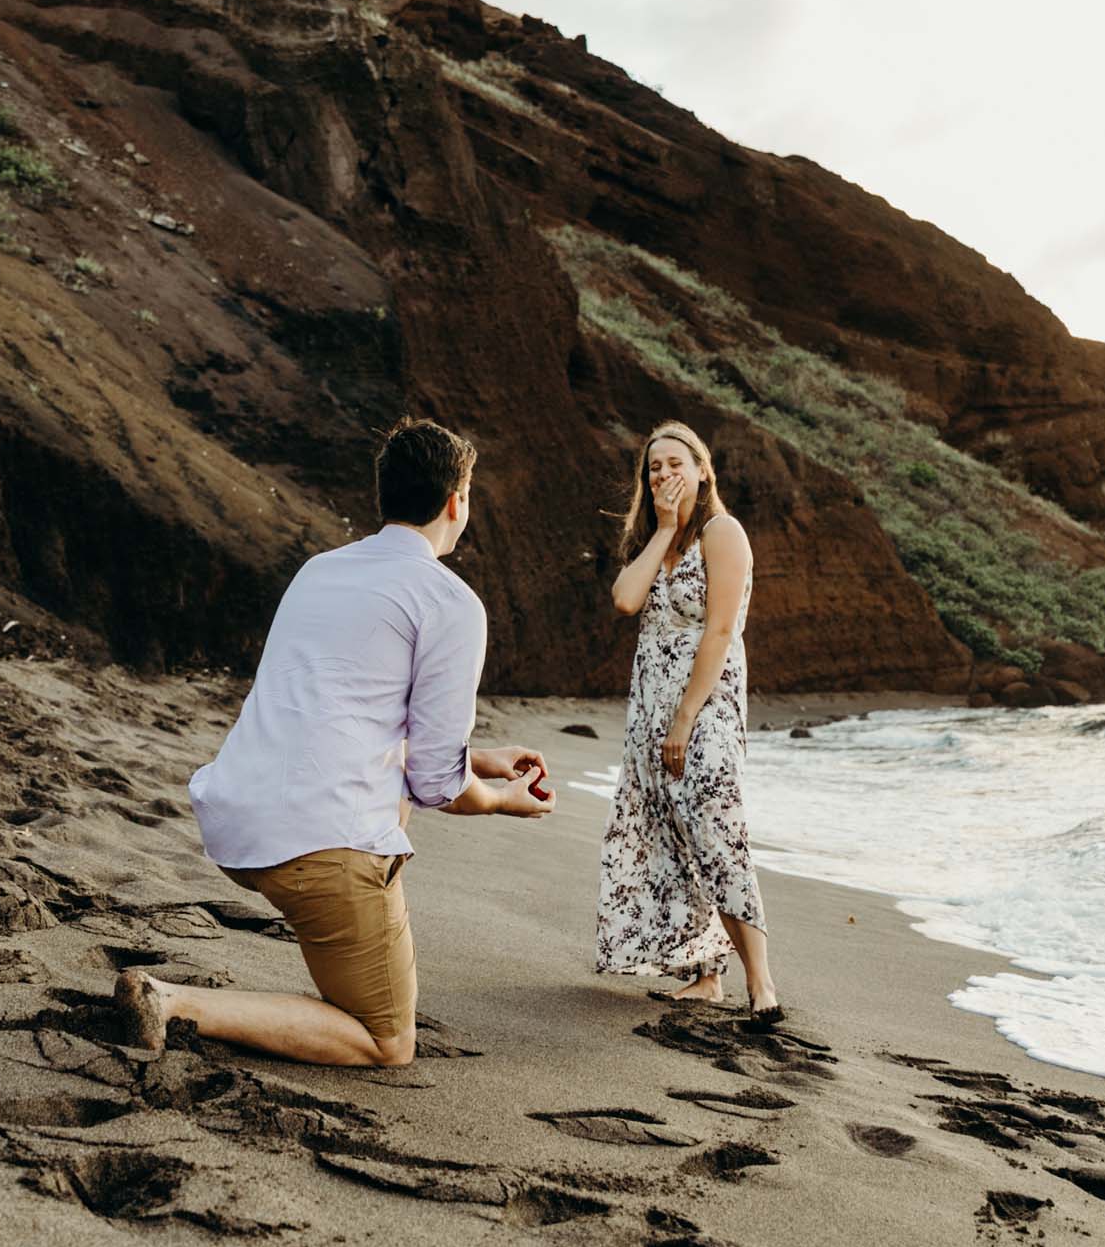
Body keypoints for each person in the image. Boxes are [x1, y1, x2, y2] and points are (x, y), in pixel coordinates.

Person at [116, 416, 552, 1067]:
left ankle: (347, 929)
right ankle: (173, 1000)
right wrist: (501, 798)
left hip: (237, 816)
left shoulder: (320, 570)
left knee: (385, 816)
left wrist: (479, 757)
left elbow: (342, 712)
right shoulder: (449, 600)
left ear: (385, 495)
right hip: (316, 844)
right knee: (386, 1039)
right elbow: (437, 785)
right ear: (457, 500)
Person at [595, 420, 781, 1020]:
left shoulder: (724, 533)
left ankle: (762, 983)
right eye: (654, 468)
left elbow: (721, 631)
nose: (665, 475)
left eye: (677, 463)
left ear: (704, 471)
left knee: (717, 830)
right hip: (650, 706)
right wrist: (666, 529)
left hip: (705, 704)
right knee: (675, 836)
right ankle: (706, 974)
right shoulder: (659, 540)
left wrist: (684, 720)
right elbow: (625, 599)